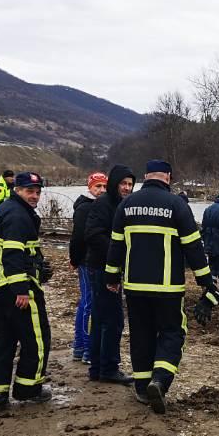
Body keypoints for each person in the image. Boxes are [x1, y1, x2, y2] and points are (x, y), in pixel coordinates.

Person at [104, 159, 218, 414]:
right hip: (167, 287)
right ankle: (160, 381)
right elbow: (193, 247)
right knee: (172, 333)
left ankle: (143, 388)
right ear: (168, 177)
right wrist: (206, 282)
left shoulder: (126, 204)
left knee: (141, 336)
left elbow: (115, 246)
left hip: (134, 287)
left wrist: (111, 278)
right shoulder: (177, 204)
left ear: (146, 176)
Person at [0, 172, 52, 410]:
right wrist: (22, 290)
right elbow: (13, 254)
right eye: (29, 191)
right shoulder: (18, 216)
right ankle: (27, 390)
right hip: (14, 288)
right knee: (37, 340)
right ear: (17, 190)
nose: (34, 196)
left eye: (38, 191)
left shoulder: (6, 210)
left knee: (2, 342)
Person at [83, 165, 136, 385]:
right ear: (114, 183)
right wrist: (118, 252)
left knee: (101, 319)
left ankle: (98, 368)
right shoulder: (104, 204)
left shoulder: (123, 205)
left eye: (130, 184)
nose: (127, 188)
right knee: (112, 320)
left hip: (108, 268)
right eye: (123, 183)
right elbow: (92, 234)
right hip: (102, 269)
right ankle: (108, 368)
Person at [68, 171, 107, 363]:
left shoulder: (97, 206)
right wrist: (75, 260)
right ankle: (86, 347)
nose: (101, 190)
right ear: (89, 187)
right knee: (89, 302)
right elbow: (77, 238)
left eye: (104, 187)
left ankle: (80, 346)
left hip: (91, 259)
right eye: (97, 186)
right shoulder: (85, 208)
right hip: (86, 260)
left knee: (86, 301)